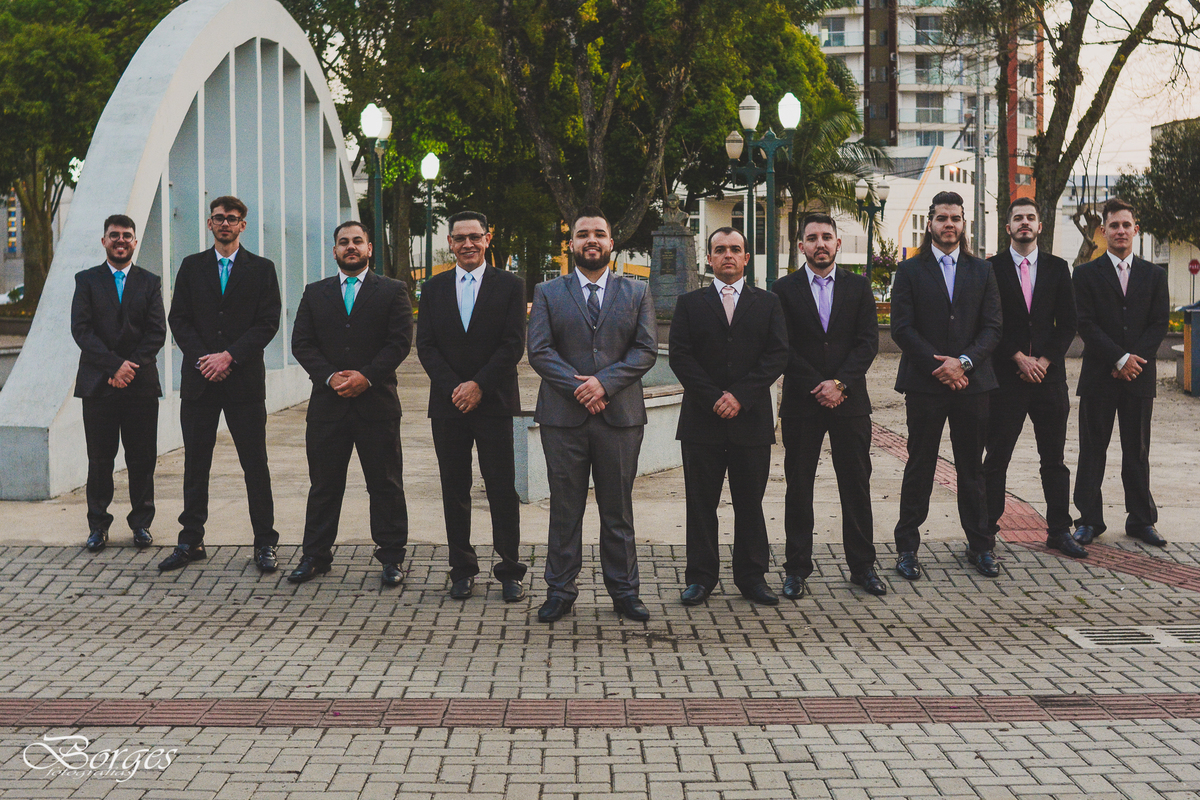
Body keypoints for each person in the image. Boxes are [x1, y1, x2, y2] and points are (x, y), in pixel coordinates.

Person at [527, 207, 657, 622]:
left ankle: (625, 592)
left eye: (599, 233)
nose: (592, 240)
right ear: (571, 244)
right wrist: (581, 388)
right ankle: (560, 591)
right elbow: (539, 350)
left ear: (611, 243)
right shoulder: (548, 292)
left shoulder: (636, 292)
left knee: (617, 511)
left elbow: (646, 349)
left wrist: (604, 384)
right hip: (563, 420)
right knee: (565, 510)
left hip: (620, 419)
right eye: (583, 234)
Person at [286, 221, 413, 585]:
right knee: (323, 486)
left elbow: (399, 342)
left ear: (370, 248)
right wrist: (330, 377)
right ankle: (315, 555)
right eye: (344, 242)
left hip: (377, 405)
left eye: (358, 241)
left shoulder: (392, 291)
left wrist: (365, 377)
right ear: (335, 251)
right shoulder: (315, 293)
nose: (351, 247)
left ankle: (392, 557)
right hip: (328, 406)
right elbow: (302, 343)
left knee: (385, 484)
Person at [668, 227, 788, 606]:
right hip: (701, 422)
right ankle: (701, 578)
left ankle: (752, 577)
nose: (728, 255)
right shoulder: (690, 304)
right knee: (700, 504)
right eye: (720, 250)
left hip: (750, 421)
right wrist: (714, 398)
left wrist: (740, 396)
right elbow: (680, 356)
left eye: (735, 249)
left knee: (749, 503)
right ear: (709, 258)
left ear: (746, 258)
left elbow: (777, 354)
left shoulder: (767, 303)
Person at [163, 196, 282, 572]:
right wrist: (206, 359)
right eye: (219, 218)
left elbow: (268, 321)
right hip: (200, 380)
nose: (225, 223)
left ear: (243, 225)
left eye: (232, 218)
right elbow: (179, 318)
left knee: (255, 463)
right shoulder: (191, 266)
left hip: (243, 381)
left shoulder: (262, 269)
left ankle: (265, 542)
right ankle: (190, 540)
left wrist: (229, 356)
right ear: (209, 223)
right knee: (196, 464)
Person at [772, 213, 885, 598]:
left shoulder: (859, 287)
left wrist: (839, 383)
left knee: (856, 486)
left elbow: (868, 342)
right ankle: (796, 569)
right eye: (812, 238)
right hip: (802, 404)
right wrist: (817, 385)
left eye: (826, 237)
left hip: (849, 402)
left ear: (837, 243)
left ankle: (863, 567)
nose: (819, 244)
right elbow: (781, 346)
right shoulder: (783, 290)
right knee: (798, 488)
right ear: (801, 245)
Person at [891, 191, 1002, 579]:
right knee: (919, 466)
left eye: (955, 218)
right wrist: (939, 366)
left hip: (973, 384)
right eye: (942, 218)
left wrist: (964, 363)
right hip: (925, 385)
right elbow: (901, 327)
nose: (949, 224)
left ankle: (980, 546)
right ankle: (907, 548)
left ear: (963, 223)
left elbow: (993, 327)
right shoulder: (909, 270)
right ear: (930, 223)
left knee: (972, 469)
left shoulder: (982, 270)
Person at [417, 210, 527, 601]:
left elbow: (513, 344)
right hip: (448, 406)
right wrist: (457, 388)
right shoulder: (433, 288)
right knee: (454, 488)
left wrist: (479, 385)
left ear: (487, 239)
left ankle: (510, 570)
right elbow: (426, 345)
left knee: (502, 489)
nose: (468, 244)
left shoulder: (511, 286)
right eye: (460, 238)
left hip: (495, 401)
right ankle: (462, 569)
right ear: (450, 242)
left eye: (475, 237)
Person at [983, 199, 1087, 558]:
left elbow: (1068, 324)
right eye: (1018, 218)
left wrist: (1042, 361)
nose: (1024, 223)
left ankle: (1059, 531)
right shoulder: (991, 268)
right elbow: (989, 322)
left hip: (1049, 379)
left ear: (1040, 226)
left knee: (1054, 460)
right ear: (1008, 227)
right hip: (1005, 379)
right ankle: (985, 533)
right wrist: (1017, 357)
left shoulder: (1058, 268)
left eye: (1030, 218)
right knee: (997, 458)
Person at [1071, 198, 1170, 548]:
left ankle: (1141, 520)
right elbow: (1084, 323)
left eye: (1126, 225)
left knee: (1137, 450)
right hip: (1099, 376)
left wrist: (1133, 361)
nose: (1120, 231)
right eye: (1114, 225)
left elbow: (1159, 323)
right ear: (1104, 231)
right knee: (1092, 450)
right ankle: (1088, 520)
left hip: (1139, 376)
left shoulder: (1155, 275)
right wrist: (1118, 358)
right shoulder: (1085, 274)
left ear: (1136, 230)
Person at [71, 214, 166, 553]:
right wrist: (114, 366)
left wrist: (128, 368)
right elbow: (81, 330)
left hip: (140, 385)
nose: (121, 240)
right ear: (104, 241)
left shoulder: (150, 282)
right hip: (99, 384)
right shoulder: (86, 280)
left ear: (135, 242)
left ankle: (141, 524)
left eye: (127, 235)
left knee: (142, 458)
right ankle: (98, 526)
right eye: (114, 235)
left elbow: (156, 332)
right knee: (100, 460)